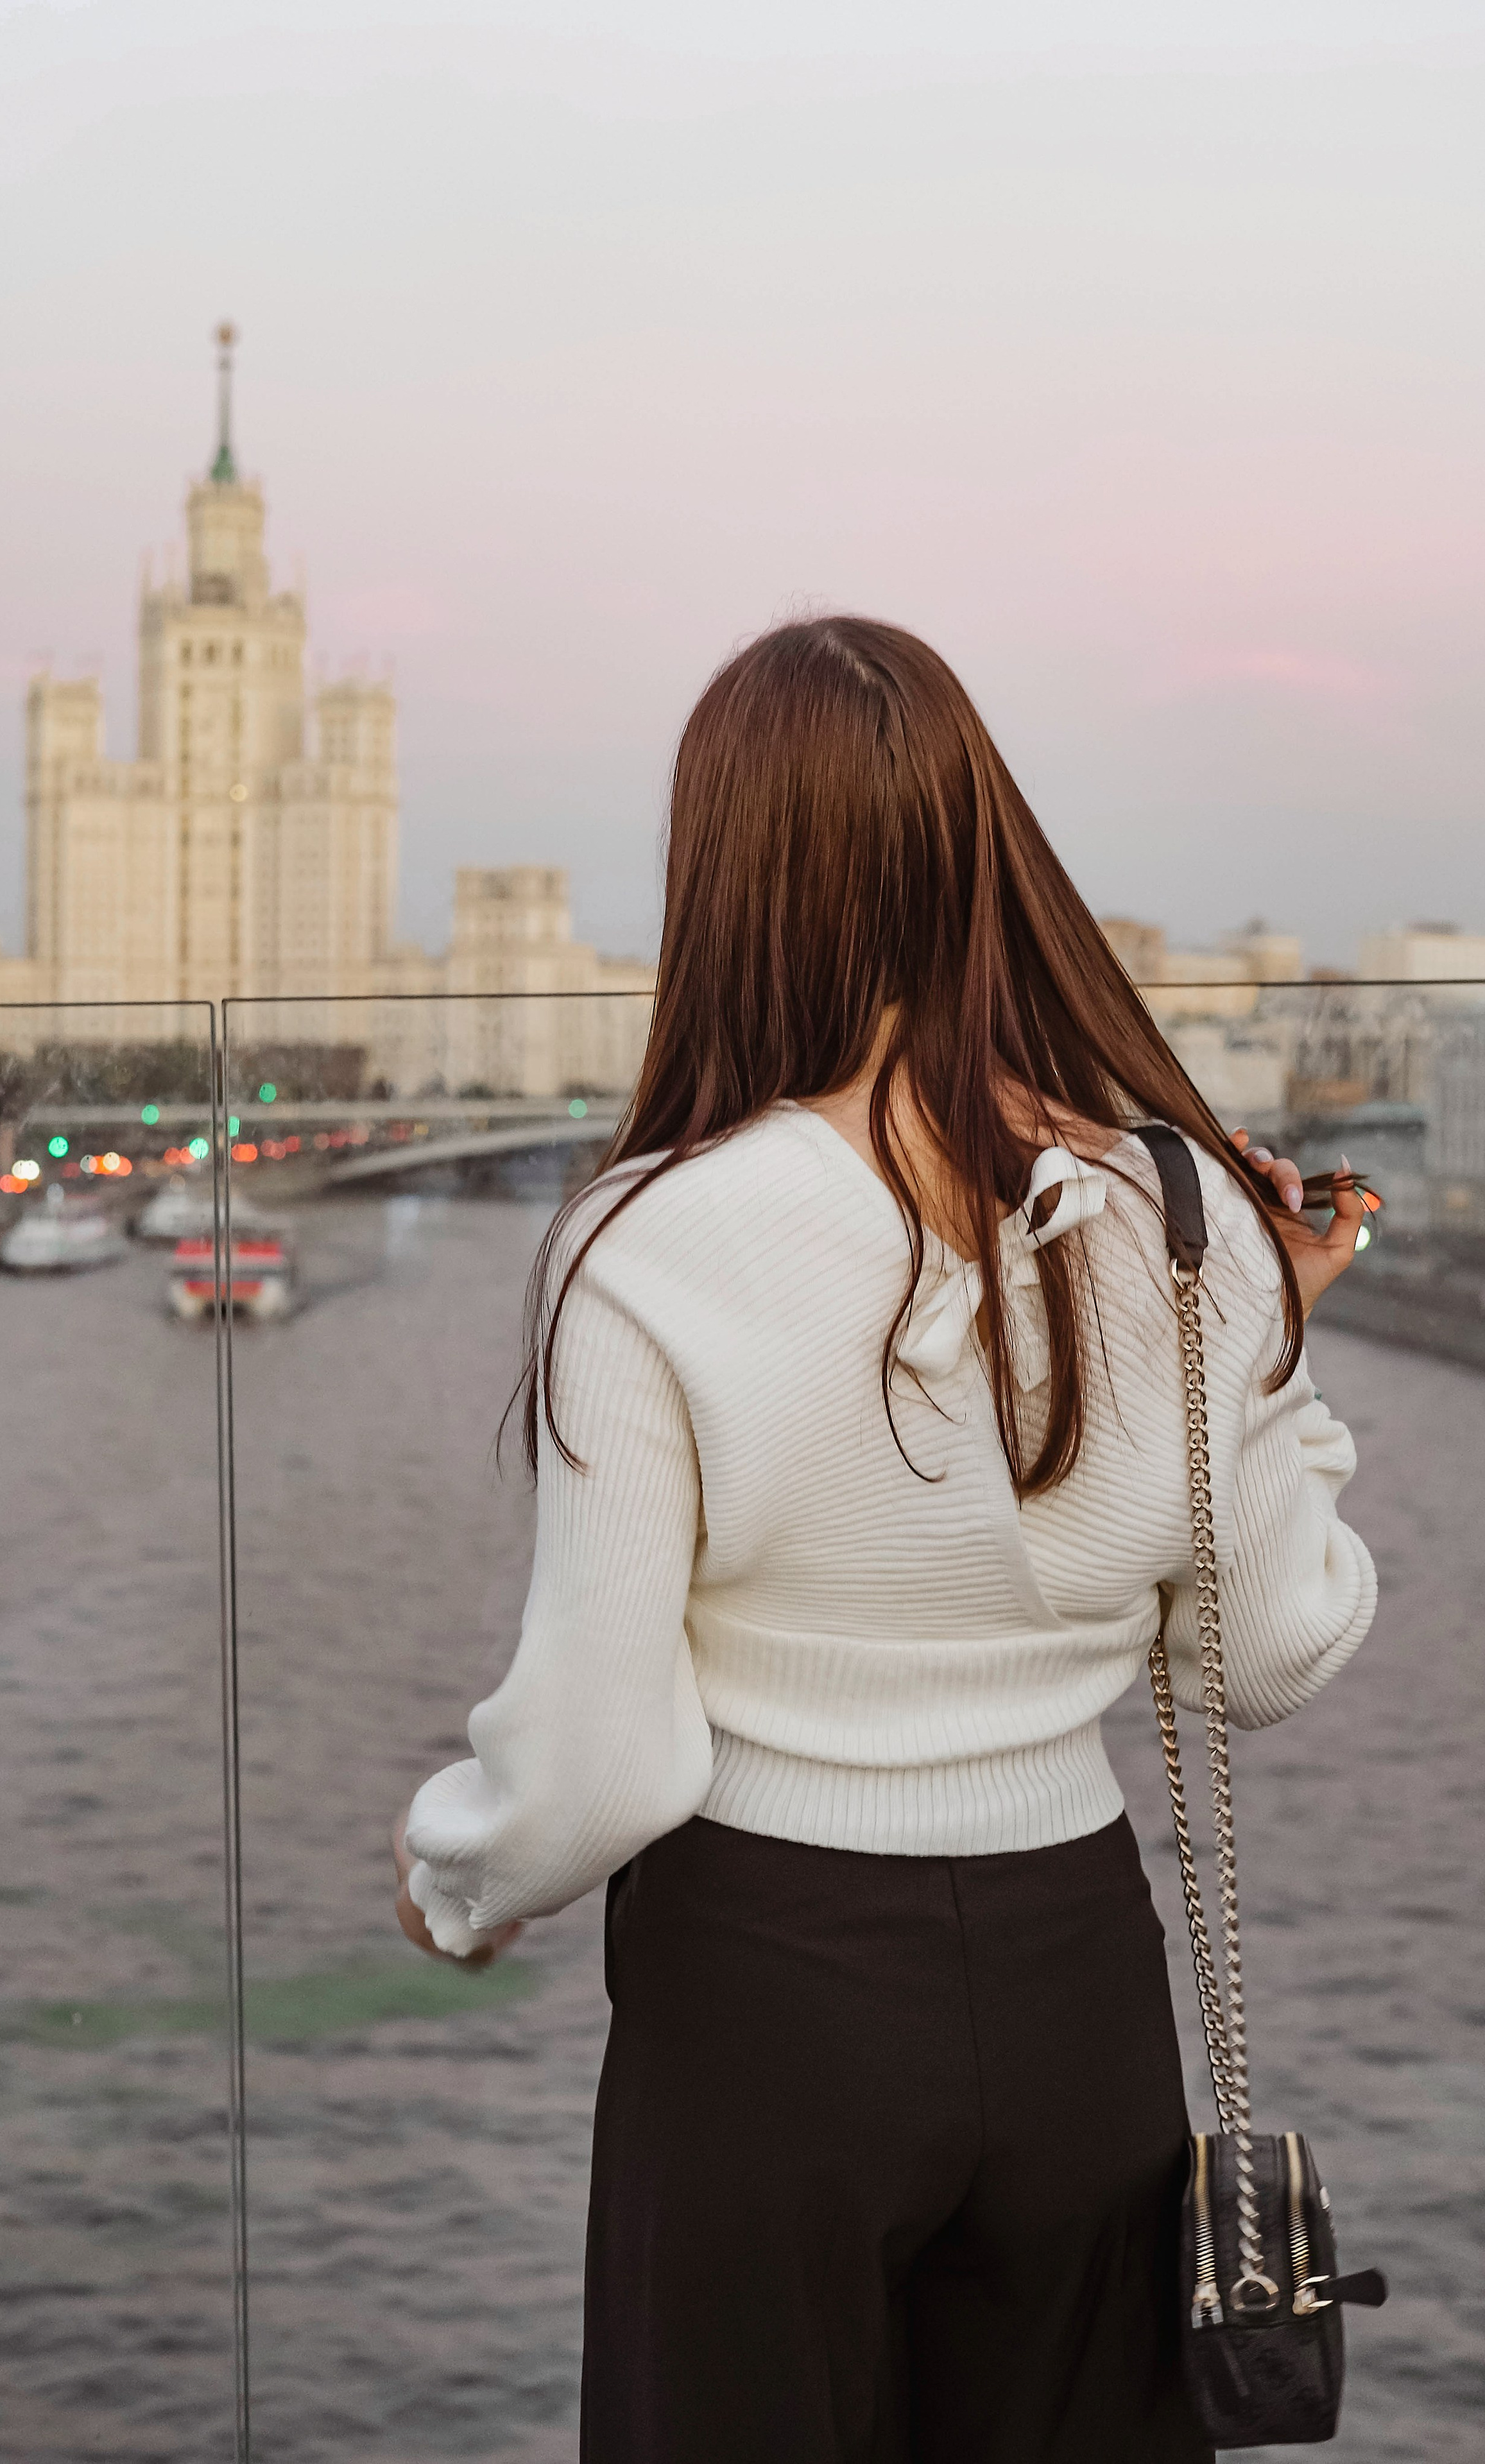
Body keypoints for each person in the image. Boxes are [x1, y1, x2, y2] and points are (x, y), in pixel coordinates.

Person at [393, 618, 1375, 2463]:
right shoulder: (1175, 1208)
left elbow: (602, 1756)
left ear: (728, 878)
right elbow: (1264, 1653)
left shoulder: (654, 1240)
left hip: (764, 1984)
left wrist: (453, 1881)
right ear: (982, 850)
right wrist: (1275, 1362)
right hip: (1079, 1969)